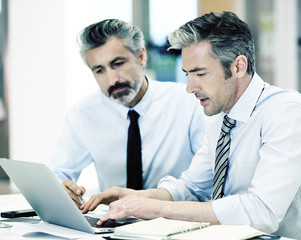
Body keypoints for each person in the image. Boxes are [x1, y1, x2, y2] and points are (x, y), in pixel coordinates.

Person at [81, 12, 301, 240]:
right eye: (187, 74)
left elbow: (262, 212)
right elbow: (192, 187)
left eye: (200, 73)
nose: (189, 87)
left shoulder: (285, 112)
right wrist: (137, 197)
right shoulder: (219, 114)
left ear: (238, 66)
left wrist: (159, 208)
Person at [48, 19, 205, 207]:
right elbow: (58, 172)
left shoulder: (187, 103)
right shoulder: (83, 113)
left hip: (176, 218)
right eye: (99, 70)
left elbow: (206, 178)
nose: (112, 79)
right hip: (114, 224)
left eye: (118, 64)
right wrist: (62, 189)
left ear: (141, 57)